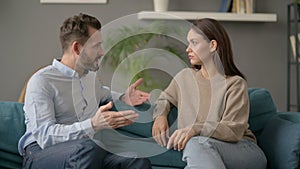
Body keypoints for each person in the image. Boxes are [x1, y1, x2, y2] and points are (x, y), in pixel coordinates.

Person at [18, 13, 152, 169]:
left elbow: (105, 93)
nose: (102, 52)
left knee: (136, 160)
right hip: (40, 154)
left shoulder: (90, 79)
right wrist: (93, 125)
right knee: (91, 147)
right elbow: (45, 137)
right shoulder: (42, 81)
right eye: (96, 46)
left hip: (87, 152)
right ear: (76, 48)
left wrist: (124, 97)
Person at [152, 18, 267, 169]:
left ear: (212, 45)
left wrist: (195, 129)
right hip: (200, 150)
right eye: (188, 43)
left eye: (194, 42)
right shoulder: (185, 77)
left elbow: (233, 130)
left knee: (195, 143)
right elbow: (164, 99)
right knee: (195, 146)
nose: (188, 49)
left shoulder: (235, 84)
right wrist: (160, 116)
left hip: (242, 151)